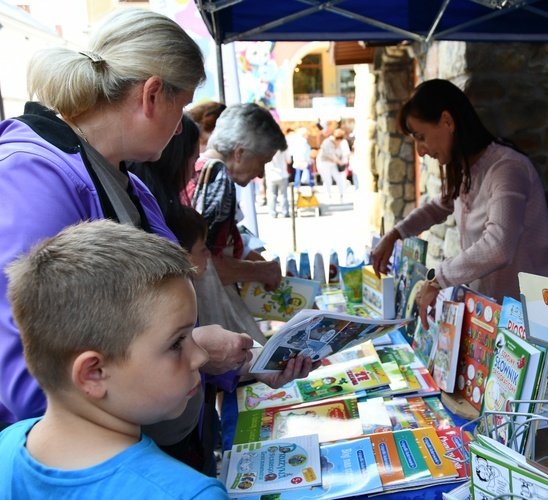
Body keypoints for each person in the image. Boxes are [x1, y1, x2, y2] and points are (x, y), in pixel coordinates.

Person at [0, 8, 314, 475]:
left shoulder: (129, 180)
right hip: (108, 471)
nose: (180, 127)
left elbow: (156, 325)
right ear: (151, 95)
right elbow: (29, 380)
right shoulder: (35, 177)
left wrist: (234, 366)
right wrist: (197, 353)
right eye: (182, 105)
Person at [0, 220, 227, 497]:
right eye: (177, 343)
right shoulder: (190, 494)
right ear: (93, 374)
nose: (200, 357)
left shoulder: (6, 447)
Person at [371, 79, 548, 329]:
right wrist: (396, 234)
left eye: (421, 136)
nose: (420, 151)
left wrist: (438, 279)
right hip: (495, 313)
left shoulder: (506, 169)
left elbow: (498, 246)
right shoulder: (466, 168)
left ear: (448, 121)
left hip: (532, 320)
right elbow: (439, 206)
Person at [186, 103, 287, 288]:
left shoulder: (195, 168)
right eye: (262, 162)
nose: (261, 174)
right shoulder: (218, 179)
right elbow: (208, 266)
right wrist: (260, 271)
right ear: (240, 153)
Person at [316, 128, 349, 202]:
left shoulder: (338, 144)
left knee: (339, 179)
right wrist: (340, 162)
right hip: (324, 163)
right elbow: (330, 154)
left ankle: (342, 195)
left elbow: (339, 153)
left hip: (333, 164)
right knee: (327, 180)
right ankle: (329, 196)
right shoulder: (327, 142)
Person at [264, 147, 292, 218]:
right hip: (282, 174)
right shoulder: (283, 148)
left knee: (271, 195)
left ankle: (272, 213)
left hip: (270, 175)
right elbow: (289, 160)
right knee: (283, 195)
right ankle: (285, 212)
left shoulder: (266, 148)